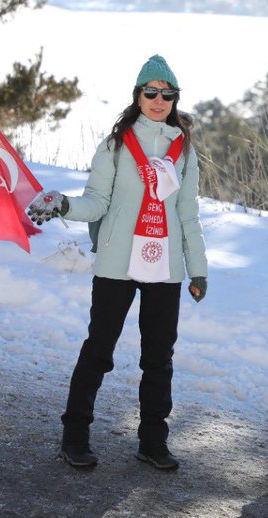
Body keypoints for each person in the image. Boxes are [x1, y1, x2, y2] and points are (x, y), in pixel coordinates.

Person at [26, 54, 207, 472]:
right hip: (116, 262)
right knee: (99, 349)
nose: (159, 99)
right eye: (151, 92)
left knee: (159, 357)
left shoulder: (185, 151)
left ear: (175, 99)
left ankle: (153, 442)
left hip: (165, 266)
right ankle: (74, 437)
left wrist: (198, 268)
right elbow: (98, 203)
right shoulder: (115, 145)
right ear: (138, 95)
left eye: (168, 94)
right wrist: (64, 204)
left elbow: (188, 214)